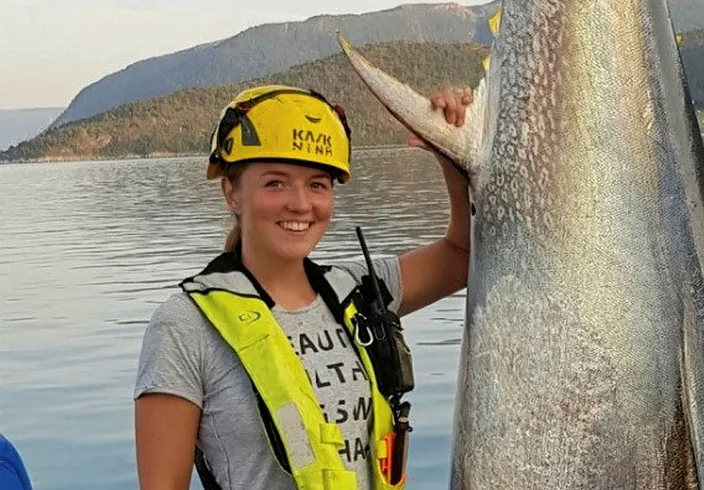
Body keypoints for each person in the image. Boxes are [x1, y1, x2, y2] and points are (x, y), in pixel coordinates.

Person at [133, 83, 474, 490]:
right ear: (232, 194)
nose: (300, 203)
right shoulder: (184, 327)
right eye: (275, 183)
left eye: (318, 184)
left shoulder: (359, 289)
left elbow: (464, 255)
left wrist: (452, 156)